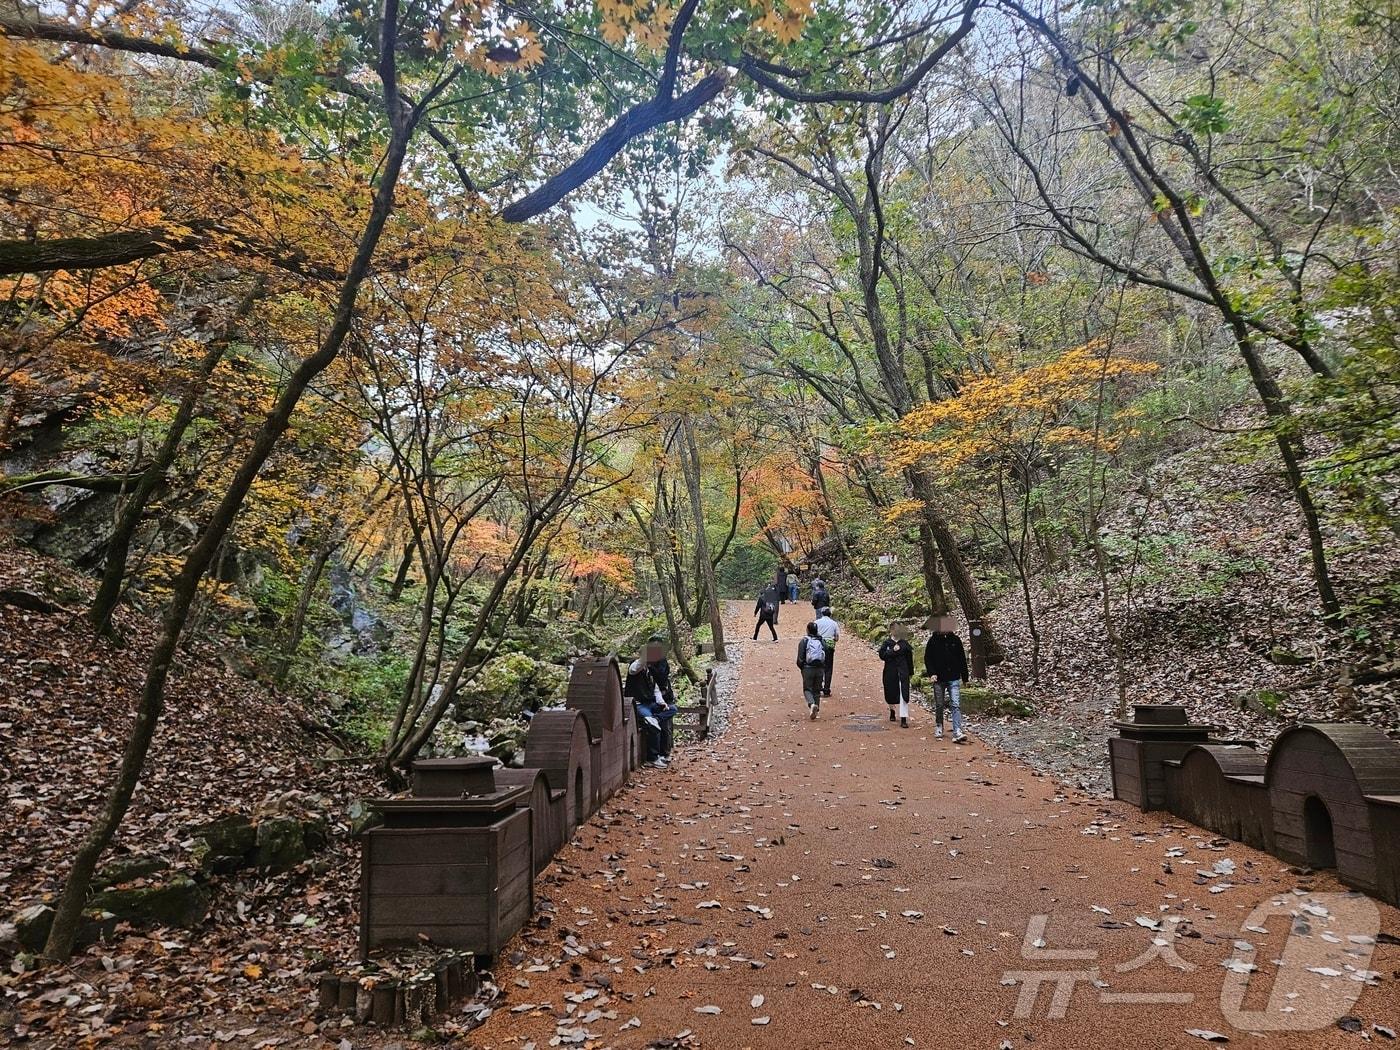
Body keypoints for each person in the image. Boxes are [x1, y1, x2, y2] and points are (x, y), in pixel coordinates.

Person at [627, 638, 677, 767]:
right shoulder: (636, 666)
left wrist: (662, 703)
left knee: (672, 709)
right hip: (639, 704)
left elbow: (655, 690)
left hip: (650, 704)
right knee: (654, 726)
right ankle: (653, 758)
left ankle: (653, 719)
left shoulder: (651, 670)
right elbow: (633, 669)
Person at [924, 621, 968, 743]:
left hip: (953, 677)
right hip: (938, 679)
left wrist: (965, 677)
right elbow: (928, 658)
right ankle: (939, 725)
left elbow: (961, 659)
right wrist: (932, 673)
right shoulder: (933, 641)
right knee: (939, 704)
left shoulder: (956, 640)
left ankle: (957, 730)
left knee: (956, 704)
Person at [878, 624, 915, 728]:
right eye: (894, 629)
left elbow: (909, 659)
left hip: (903, 672)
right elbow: (882, 655)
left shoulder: (905, 644)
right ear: (891, 630)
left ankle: (903, 718)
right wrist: (892, 651)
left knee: (904, 693)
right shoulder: (887, 643)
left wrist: (910, 672)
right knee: (890, 692)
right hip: (890, 672)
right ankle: (892, 710)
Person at [796, 621, 826, 719]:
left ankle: (812, 704)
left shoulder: (804, 641)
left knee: (807, 689)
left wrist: (802, 667)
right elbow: (825, 652)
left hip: (808, 668)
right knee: (817, 690)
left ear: (808, 630)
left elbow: (800, 658)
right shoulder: (821, 640)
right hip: (820, 668)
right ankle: (816, 710)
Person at [813, 606, 840, 698]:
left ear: (822, 613)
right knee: (828, 668)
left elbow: (812, 634)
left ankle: (818, 687)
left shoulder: (816, 622)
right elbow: (836, 638)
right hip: (829, 647)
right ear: (830, 614)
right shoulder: (834, 623)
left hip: (818, 646)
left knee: (819, 667)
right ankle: (826, 690)